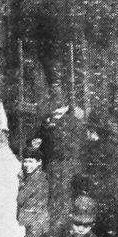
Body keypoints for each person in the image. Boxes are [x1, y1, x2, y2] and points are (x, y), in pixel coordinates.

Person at [35, 84, 85, 229]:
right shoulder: (49, 119)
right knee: (54, 199)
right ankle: (56, 229)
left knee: (65, 200)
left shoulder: (73, 121)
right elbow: (40, 143)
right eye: (52, 96)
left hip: (66, 166)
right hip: (54, 166)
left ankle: (63, 229)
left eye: (57, 96)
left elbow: (77, 146)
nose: (54, 100)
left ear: (65, 100)